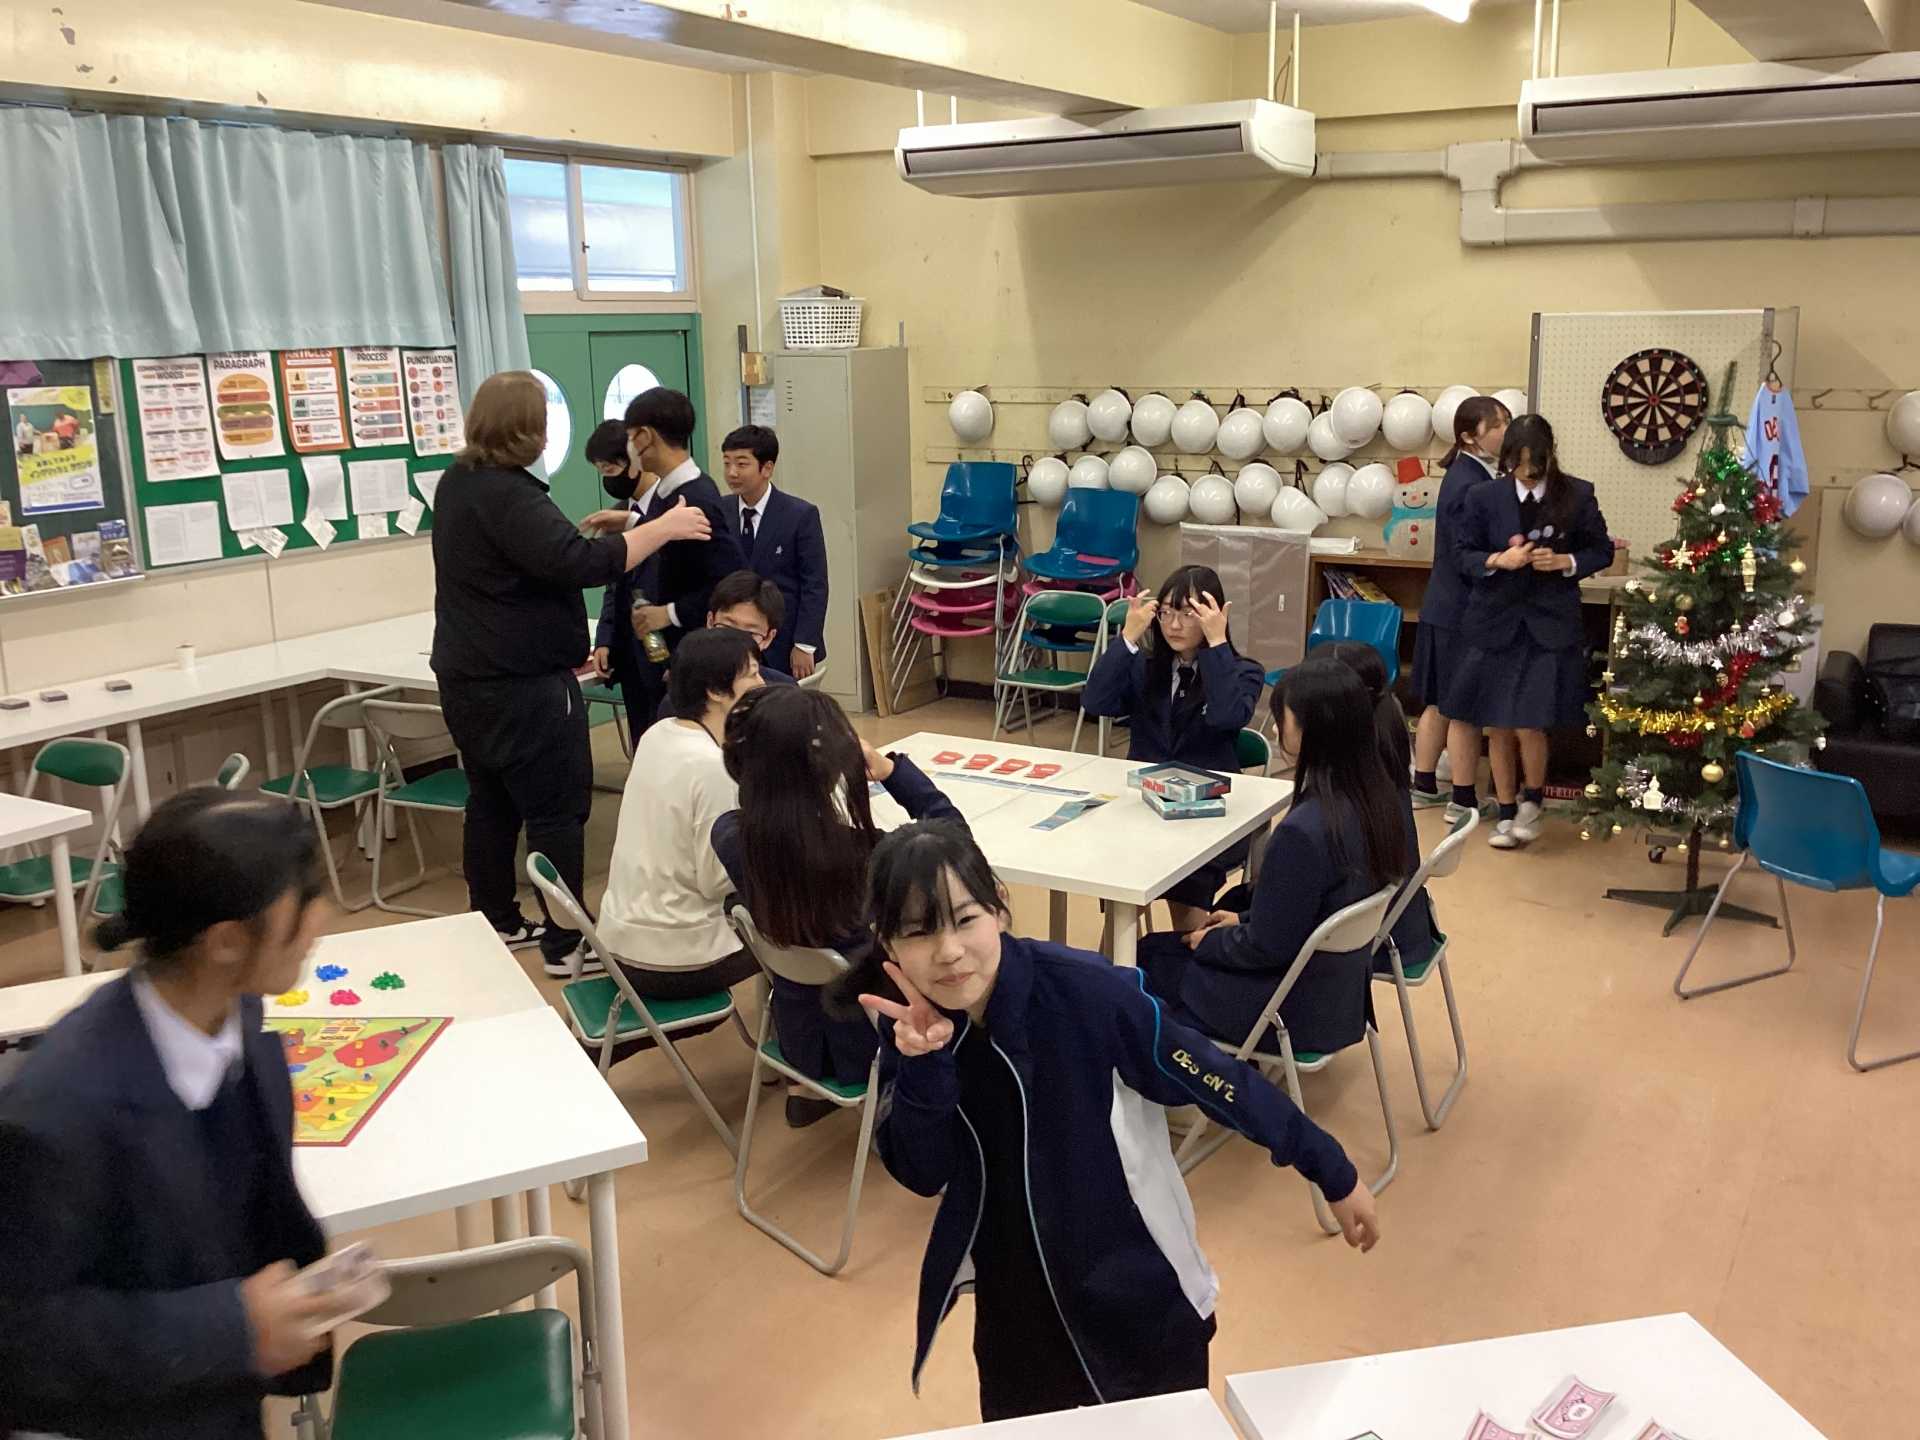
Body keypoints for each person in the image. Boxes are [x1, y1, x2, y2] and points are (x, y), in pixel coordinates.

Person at [853, 820, 1378, 1423]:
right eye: (919, 932)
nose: (948, 951)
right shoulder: (909, 1025)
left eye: (965, 919)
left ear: (998, 905)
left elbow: (1215, 1079)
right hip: (1015, 1309)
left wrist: (1329, 1167)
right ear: (888, 943)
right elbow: (923, 1172)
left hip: (1138, 1289)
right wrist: (924, 1068)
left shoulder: (1088, 993)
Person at [0, 789, 339, 1440]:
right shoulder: (57, 1112)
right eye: (303, 900)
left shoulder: (239, 1014)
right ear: (225, 941)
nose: (320, 917)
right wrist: (233, 1329)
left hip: (216, 1407)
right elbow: (20, 1336)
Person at [431, 371, 711, 974]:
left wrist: (632, 526)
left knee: (491, 802)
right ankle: (566, 943)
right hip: (522, 683)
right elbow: (578, 563)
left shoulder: (459, 482)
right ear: (528, 431)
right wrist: (661, 527)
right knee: (555, 812)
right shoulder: (509, 494)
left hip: (467, 677)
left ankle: (495, 920)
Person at [1137, 657, 1432, 1059]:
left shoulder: (1304, 830)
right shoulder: (1376, 798)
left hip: (1288, 1009)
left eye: (1283, 720)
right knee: (1180, 940)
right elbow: (1310, 909)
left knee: (1145, 958)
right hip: (1339, 996)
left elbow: (1267, 948)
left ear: (1315, 730)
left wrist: (1212, 941)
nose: (1276, 730)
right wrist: (1243, 920)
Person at [714, 685, 959, 1126]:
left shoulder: (730, 836)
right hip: (870, 1039)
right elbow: (953, 842)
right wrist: (892, 770)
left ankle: (805, 1092)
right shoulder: (865, 854)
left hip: (798, 1039)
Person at [1444, 414, 1613, 851]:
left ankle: (1532, 801)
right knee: (1498, 723)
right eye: (1516, 465)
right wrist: (1499, 560)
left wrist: (1565, 562)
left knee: (1530, 721)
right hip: (1494, 623)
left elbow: (1601, 550)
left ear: (1548, 456)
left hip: (1548, 625)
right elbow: (1461, 554)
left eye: (1533, 466)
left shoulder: (1577, 494)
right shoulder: (1483, 496)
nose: (1525, 474)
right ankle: (1505, 812)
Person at [1080, 564, 1264, 929]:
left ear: (1213, 615)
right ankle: (1119, 955)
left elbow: (1227, 716)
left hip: (1209, 815)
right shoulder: (1145, 666)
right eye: (1165, 613)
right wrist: (1128, 638)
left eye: (1187, 614)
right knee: (1116, 865)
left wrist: (1216, 644)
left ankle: (1186, 952)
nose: (1174, 625)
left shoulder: (1242, 671)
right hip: (1144, 804)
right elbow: (1096, 701)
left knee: (1187, 875)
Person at [596, 627, 764, 1004]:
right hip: (676, 962)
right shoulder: (712, 766)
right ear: (716, 691)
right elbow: (718, 881)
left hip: (615, 942)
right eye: (752, 674)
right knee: (809, 930)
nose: (761, 683)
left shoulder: (657, 735)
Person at [587, 389, 744, 741]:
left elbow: (729, 584)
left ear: (645, 438)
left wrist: (668, 613)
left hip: (685, 656)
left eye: (631, 438)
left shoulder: (696, 497)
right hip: (655, 654)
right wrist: (632, 522)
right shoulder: (667, 493)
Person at [1411, 396, 1511, 820]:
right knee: (1463, 707)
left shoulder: (1472, 473)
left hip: (1445, 607)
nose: (1505, 432)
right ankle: (1463, 801)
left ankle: (1424, 784)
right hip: (1461, 610)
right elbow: (1467, 553)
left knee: (1440, 701)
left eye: (1507, 422)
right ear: (1470, 436)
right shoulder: (1470, 482)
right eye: (1497, 425)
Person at [720, 425, 828, 681]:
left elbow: (815, 584)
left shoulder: (800, 515)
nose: (732, 472)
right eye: (726, 463)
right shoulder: (720, 511)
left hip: (784, 643)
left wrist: (804, 643)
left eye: (741, 464)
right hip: (730, 643)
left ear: (767, 468)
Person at [649, 571, 798, 724]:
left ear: (768, 638)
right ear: (710, 622)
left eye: (749, 633)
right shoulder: (680, 700)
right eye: (727, 627)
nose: (736, 641)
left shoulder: (786, 694)